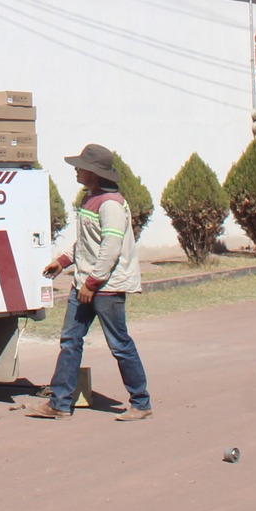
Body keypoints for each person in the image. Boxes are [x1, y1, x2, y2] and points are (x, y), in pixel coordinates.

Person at [25, 144, 152, 421]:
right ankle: (60, 404)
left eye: (81, 167)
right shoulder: (89, 199)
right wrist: (63, 261)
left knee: (119, 344)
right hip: (85, 284)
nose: (76, 171)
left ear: (95, 172)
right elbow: (86, 243)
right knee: (70, 340)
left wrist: (92, 283)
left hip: (106, 287)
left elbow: (111, 247)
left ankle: (141, 403)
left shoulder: (111, 205)